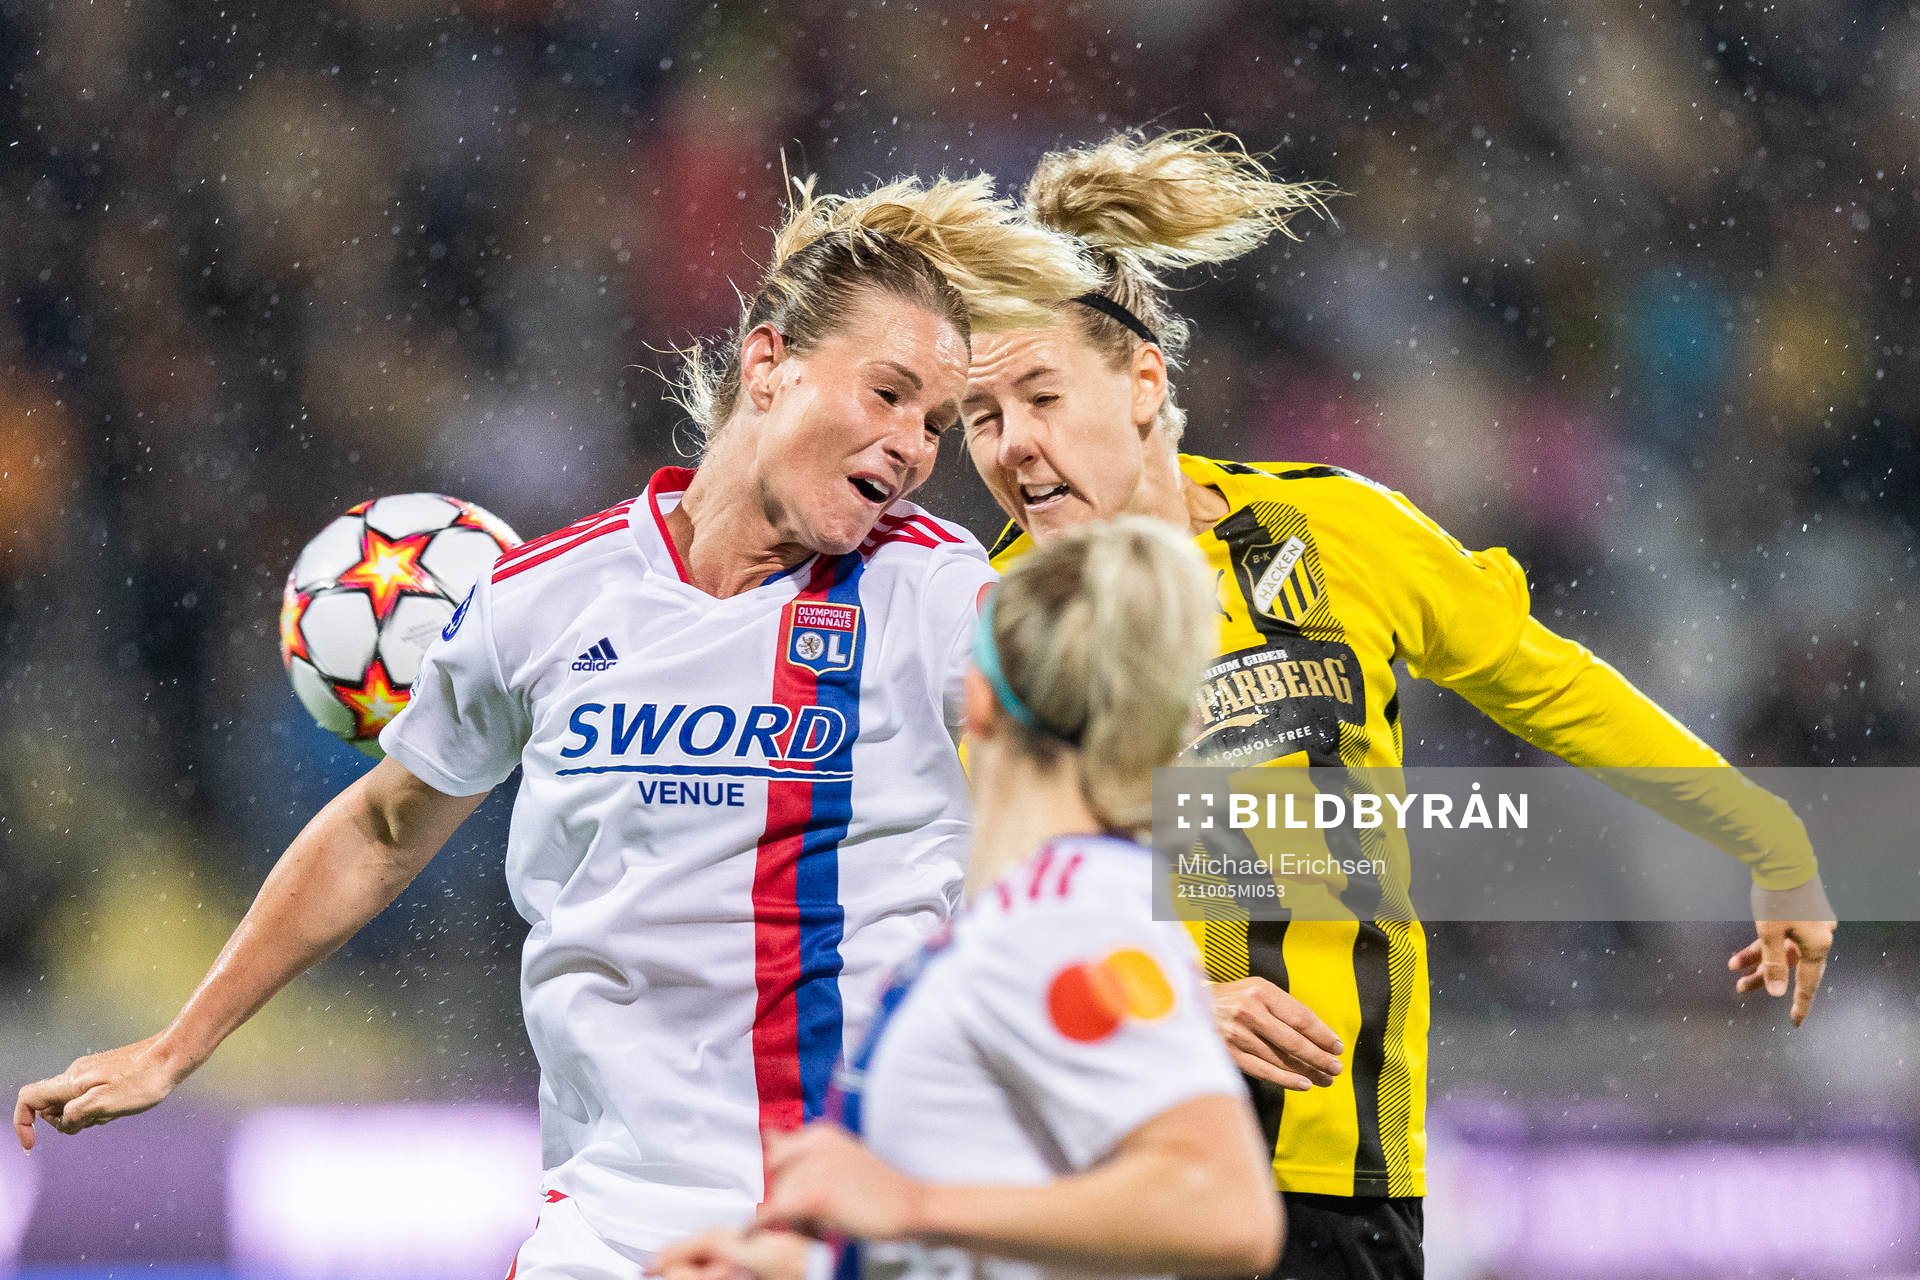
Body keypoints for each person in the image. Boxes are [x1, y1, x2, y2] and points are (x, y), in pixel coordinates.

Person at [14, 172, 1097, 1275]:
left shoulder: (930, 591)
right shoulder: (547, 595)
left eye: (935, 423)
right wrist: (174, 1046)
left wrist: (1217, 945)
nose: (914, 446)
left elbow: (1141, 750)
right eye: (889, 394)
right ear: (767, 365)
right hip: (605, 1224)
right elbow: (384, 827)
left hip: (849, 1220)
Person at [962, 129, 1838, 1280]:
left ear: (1142, 382)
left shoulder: (1334, 529)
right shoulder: (989, 616)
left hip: (1349, 1169)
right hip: (1116, 1156)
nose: (1015, 444)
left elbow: (1549, 685)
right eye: (980, 416)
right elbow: (982, 896)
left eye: (1039, 394)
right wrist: (1166, 993)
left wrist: (1763, 831)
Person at [652, 517, 1282, 1280]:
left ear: (976, 700)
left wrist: (909, 1202)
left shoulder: (1070, 918)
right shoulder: (1041, 907)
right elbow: (1016, 1201)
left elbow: (1221, 1206)